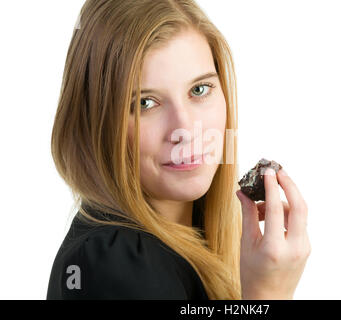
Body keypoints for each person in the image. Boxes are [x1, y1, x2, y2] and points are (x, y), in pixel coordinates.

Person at [47, 0, 311, 300]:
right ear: (94, 121)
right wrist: (268, 294)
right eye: (144, 103)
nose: (185, 130)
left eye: (199, 90)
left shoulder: (194, 242)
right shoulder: (113, 263)